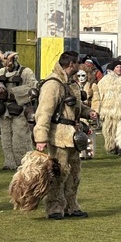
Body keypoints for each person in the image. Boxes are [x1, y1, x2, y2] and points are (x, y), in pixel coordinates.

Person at [32, 51, 98, 220]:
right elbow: (43, 112)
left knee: (75, 174)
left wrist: (88, 112)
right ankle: (54, 208)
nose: (80, 66)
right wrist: (41, 138)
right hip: (59, 136)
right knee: (57, 174)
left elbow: (76, 107)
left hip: (73, 137)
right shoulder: (53, 84)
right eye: (78, 63)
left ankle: (71, 205)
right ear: (71, 65)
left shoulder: (71, 83)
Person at [0, 50, 37, 170]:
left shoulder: (26, 72)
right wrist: (0, 89)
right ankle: (9, 162)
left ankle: (24, 162)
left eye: (9, 62)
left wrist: (15, 92)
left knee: (20, 137)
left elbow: (33, 86)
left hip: (20, 109)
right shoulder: (2, 72)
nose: (7, 65)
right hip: (4, 109)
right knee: (6, 138)